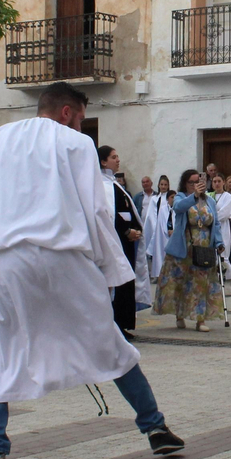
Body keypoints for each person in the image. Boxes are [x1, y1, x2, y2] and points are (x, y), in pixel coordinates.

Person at [0, 82, 184, 459]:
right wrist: (111, 272)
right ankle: (154, 426)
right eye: (81, 117)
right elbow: (97, 212)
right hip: (65, 255)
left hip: (8, 259)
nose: (83, 126)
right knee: (107, 340)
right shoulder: (76, 145)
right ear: (67, 112)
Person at [153, 169, 225, 330]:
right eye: (191, 182)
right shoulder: (181, 197)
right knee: (181, 282)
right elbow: (178, 208)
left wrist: (219, 242)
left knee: (201, 283)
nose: (194, 185)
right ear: (185, 184)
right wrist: (194, 197)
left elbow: (216, 223)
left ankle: (200, 320)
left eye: (197, 182)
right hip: (184, 246)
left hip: (204, 246)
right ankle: (179, 315)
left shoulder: (210, 201)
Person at [99, 144, 143, 337]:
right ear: (103, 161)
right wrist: (126, 232)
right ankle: (114, 326)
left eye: (118, 156)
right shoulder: (101, 185)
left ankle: (123, 324)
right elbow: (109, 214)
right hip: (117, 241)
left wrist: (137, 230)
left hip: (127, 243)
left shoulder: (115, 184)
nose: (118, 160)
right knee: (117, 282)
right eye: (113, 157)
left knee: (126, 282)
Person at [143, 174, 173, 283]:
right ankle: (157, 273)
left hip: (168, 229)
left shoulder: (170, 198)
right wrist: (155, 226)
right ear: (158, 185)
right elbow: (151, 215)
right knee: (158, 251)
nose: (163, 186)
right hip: (157, 228)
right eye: (162, 184)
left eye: (165, 184)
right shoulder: (155, 199)